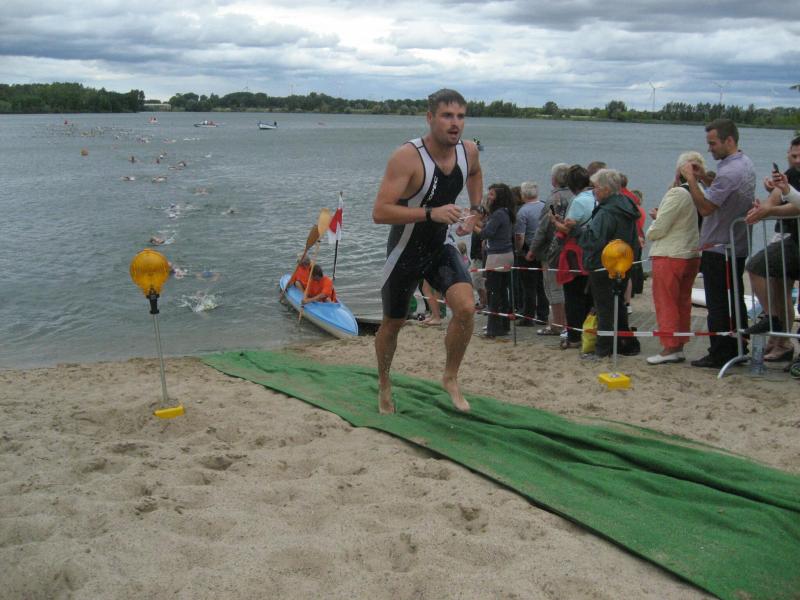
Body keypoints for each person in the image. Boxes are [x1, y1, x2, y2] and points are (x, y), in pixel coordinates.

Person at [372, 88, 483, 414]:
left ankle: (450, 377)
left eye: (460, 116)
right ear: (430, 117)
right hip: (405, 249)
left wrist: (477, 210)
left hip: (439, 245)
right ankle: (384, 382)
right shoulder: (407, 157)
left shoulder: (469, 151)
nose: (455, 123)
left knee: (466, 308)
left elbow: (475, 173)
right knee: (393, 323)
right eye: (447, 116)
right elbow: (380, 212)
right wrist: (431, 213)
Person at [682, 119, 755, 368]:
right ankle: (738, 346)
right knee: (734, 297)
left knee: (718, 302)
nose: (709, 148)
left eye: (713, 143)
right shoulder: (744, 163)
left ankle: (721, 352)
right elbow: (723, 194)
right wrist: (703, 178)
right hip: (735, 244)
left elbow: (705, 207)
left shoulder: (730, 171)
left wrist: (691, 180)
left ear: (729, 141)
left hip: (720, 246)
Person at [742, 136, 800, 362]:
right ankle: (779, 338)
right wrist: (763, 208)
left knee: (761, 270)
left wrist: (768, 211)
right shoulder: (790, 174)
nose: (797, 160)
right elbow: (778, 199)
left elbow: (795, 206)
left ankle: (777, 330)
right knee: (779, 288)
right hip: (787, 235)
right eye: (793, 155)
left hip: (791, 236)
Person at [645, 151, 705, 364]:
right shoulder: (700, 193)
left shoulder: (677, 193)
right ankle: (678, 344)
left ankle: (670, 346)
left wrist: (653, 226)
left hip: (670, 254)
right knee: (682, 301)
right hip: (691, 253)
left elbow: (659, 228)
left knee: (666, 301)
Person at [575, 169, 641, 358]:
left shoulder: (607, 212)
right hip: (623, 262)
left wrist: (574, 231)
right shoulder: (626, 205)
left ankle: (603, 349)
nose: (593, 191)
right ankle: (625, 343)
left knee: (604, 307)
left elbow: (593, 241)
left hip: (604, 264)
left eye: (595, 187)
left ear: (605, 189)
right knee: (617, 304)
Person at [551, 165, 594, 349]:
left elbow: (569, 229)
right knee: (588, 296)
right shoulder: (595, 197)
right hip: (592, 251)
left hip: (576, 253)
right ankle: (588, 333)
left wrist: (555, 223)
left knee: (573, 297)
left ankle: (574, 337)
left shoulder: (578, 201)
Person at [529, 163, 573, 336]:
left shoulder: (554, 199)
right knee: (568, 287)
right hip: (572, 248)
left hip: (553, 249)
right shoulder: (576, 195)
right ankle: (568, 323)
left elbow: (544, 227)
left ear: (554, 179)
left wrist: (533, 249)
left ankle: (557, 323)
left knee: (553, 287)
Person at [479, 183, 516, 337]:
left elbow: (486, 233)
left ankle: (493, 328)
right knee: (502, 291)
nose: (489, 197)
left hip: (497, 256)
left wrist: (472, 225)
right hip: (506, 254)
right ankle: (503, 325)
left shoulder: (499, 214)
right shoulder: (506, 212)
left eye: (492, 194)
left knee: (493, 291)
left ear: (499, 197)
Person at [514, 181, 549, 327]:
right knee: (542, 284)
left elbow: (519, 236)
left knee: (528, 286)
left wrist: (518, 250)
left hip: (528, 249)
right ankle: (543, 314)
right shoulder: (546, 206)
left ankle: (528, 316)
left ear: (523, 195)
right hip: (545, 249)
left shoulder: (522, 212)